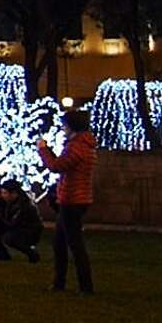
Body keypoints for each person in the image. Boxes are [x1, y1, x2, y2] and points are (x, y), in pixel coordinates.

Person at [38, 108, 98, 294]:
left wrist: (43, 150)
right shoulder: (85, 145)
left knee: (73, 244)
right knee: (61, 243)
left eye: (64, 125)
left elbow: (56, 166)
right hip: (77, 198)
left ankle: (83, 285)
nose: (63, 129)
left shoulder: (76, 147)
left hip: (72, 199)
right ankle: (61, 282)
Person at [0, 181, 43, 262]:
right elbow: (1, 210)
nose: (2, 195)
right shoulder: (7, 201)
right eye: (2, 192)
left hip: (28, 231)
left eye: (5, 193)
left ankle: (32, 253)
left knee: (9, 238)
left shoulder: (24, 205)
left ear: (14, 193)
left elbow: (11, 223)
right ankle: (2, 254)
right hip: (14, 226)